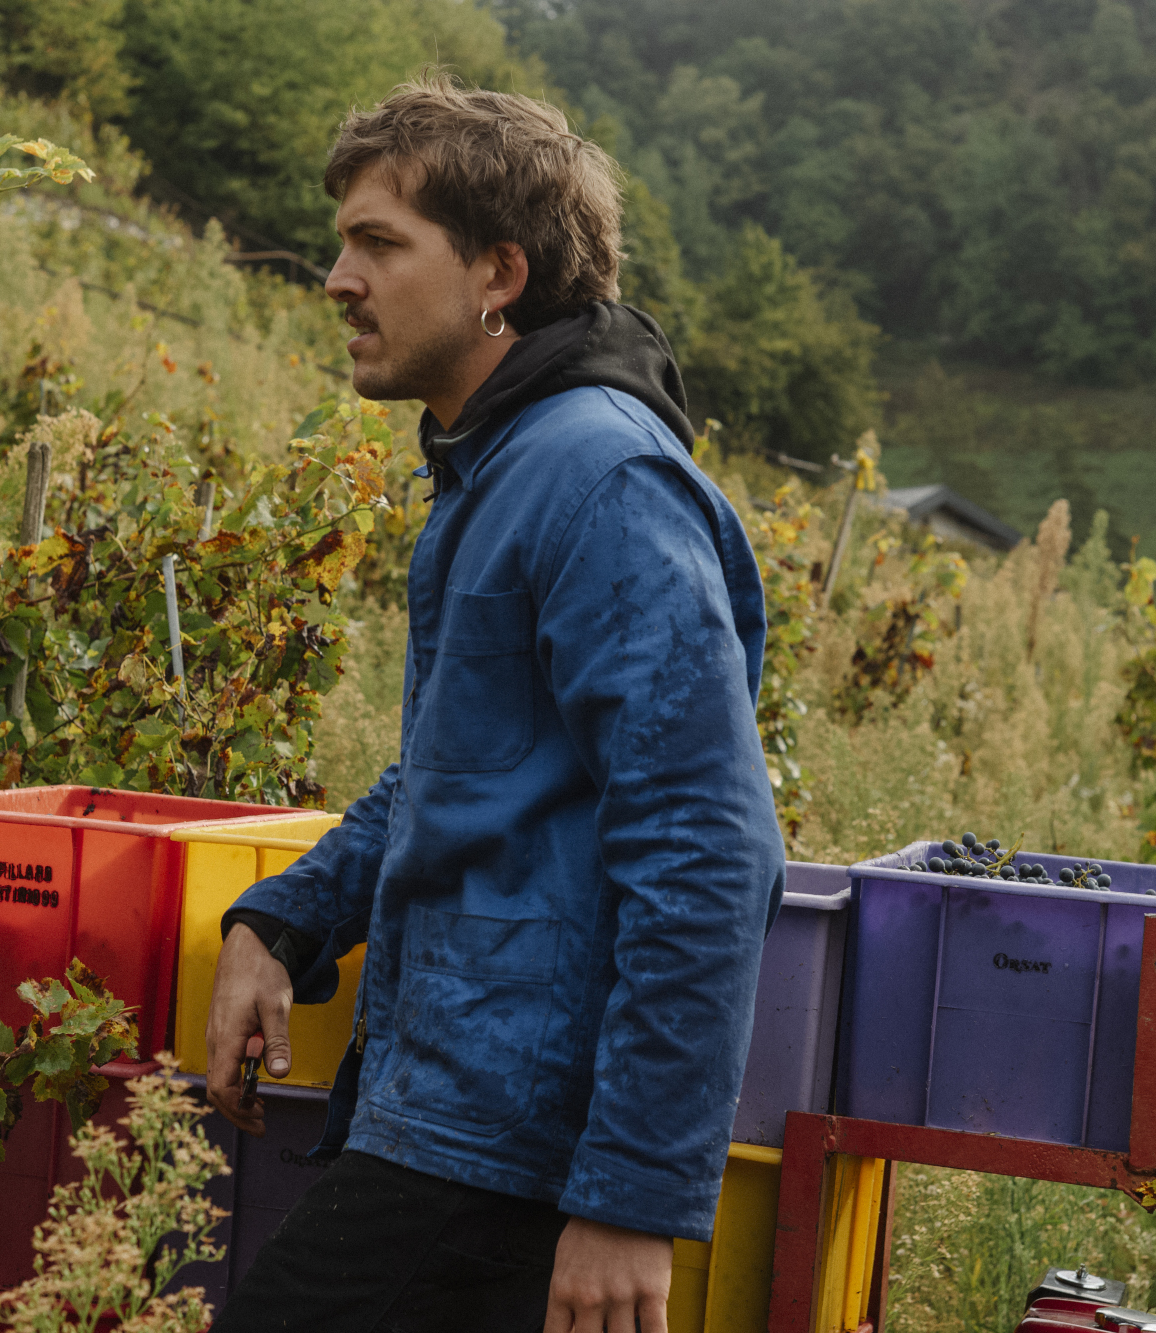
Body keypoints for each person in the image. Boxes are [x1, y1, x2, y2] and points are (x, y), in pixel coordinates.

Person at [204, 78, 785, 1333]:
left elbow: (706, 847)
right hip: (455, 1111)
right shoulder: (502, 466)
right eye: (342, 244)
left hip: (507, 1137)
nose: (337, 280)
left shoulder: (597, 479)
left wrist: (631, 1195)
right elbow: (460, 771)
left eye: (378, 244)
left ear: (497, 275)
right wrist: (286, 920)